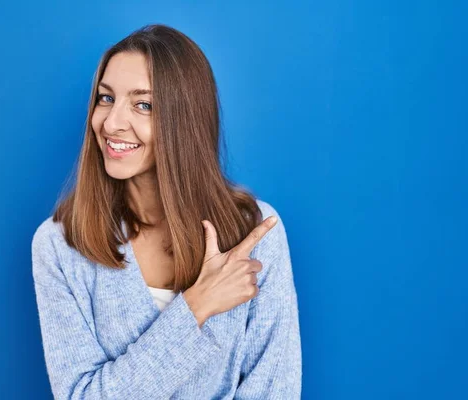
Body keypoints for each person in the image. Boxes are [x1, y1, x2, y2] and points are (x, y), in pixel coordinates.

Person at [31, 24, 302, 399]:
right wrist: (196, 306)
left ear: (184, 119)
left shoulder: (253, 232)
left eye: (143, 105)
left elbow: (275, 389)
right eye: (106, 98)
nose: (111, 123)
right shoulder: (59, 245)